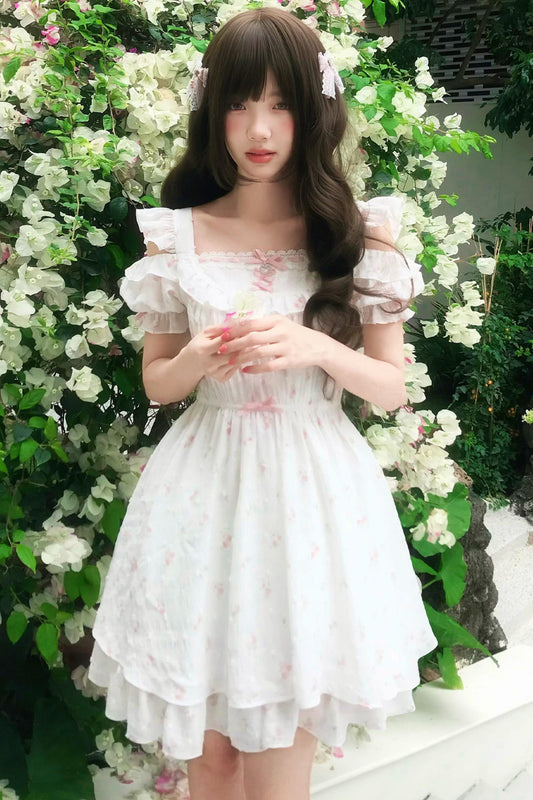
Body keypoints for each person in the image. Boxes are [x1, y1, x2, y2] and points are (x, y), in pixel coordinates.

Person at [87, 7, 439, 800]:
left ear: (314, 111)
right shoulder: (175, 237)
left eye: (280, 105)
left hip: (310, 502)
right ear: (212, 110)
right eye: (241, 104)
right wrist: (197, 358)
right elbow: (157, 382)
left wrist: (314, 347)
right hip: (201, 497)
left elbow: (389, 389)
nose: (258, 128)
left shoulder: (357, 236)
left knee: (280, 755)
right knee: (210, 757)